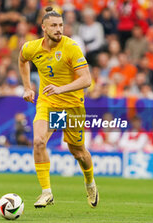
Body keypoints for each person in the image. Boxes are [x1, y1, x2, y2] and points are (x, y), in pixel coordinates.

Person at [18, 7, 99, 208]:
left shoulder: (71, 47)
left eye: (61, 25)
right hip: (48, 103)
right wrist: (27, 87)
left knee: (78, 152)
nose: (58, 29)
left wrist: (61, 89)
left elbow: (86, 80)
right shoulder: (32, 47)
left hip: (72, 105)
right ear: (43, 27)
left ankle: (90, 182)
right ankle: (47, 192)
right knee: (38, 141)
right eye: (54, 25)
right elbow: (22, 59)